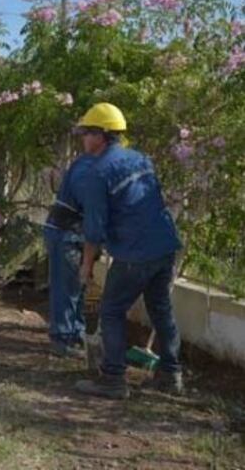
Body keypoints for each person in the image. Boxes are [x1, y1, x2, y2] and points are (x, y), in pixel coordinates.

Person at [73, 103, 183, 399]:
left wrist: (86, 265)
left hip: (135, 254)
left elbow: (94, 227)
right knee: (161, 309)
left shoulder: (98, 173)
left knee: (111, 311)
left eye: (86, 133)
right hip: (165, 246)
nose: (82, 139)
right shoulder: (141, 160)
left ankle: (113, 380)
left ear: (101, 135)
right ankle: (171, 375)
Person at [43, 153, 97, 359]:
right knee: (67, 288)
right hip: (65, 233)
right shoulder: (86, 169)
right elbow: (94, 208)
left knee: (79, 287)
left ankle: (76, 334)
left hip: (77, 234)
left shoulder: (93, 166)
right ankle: (62, 339)